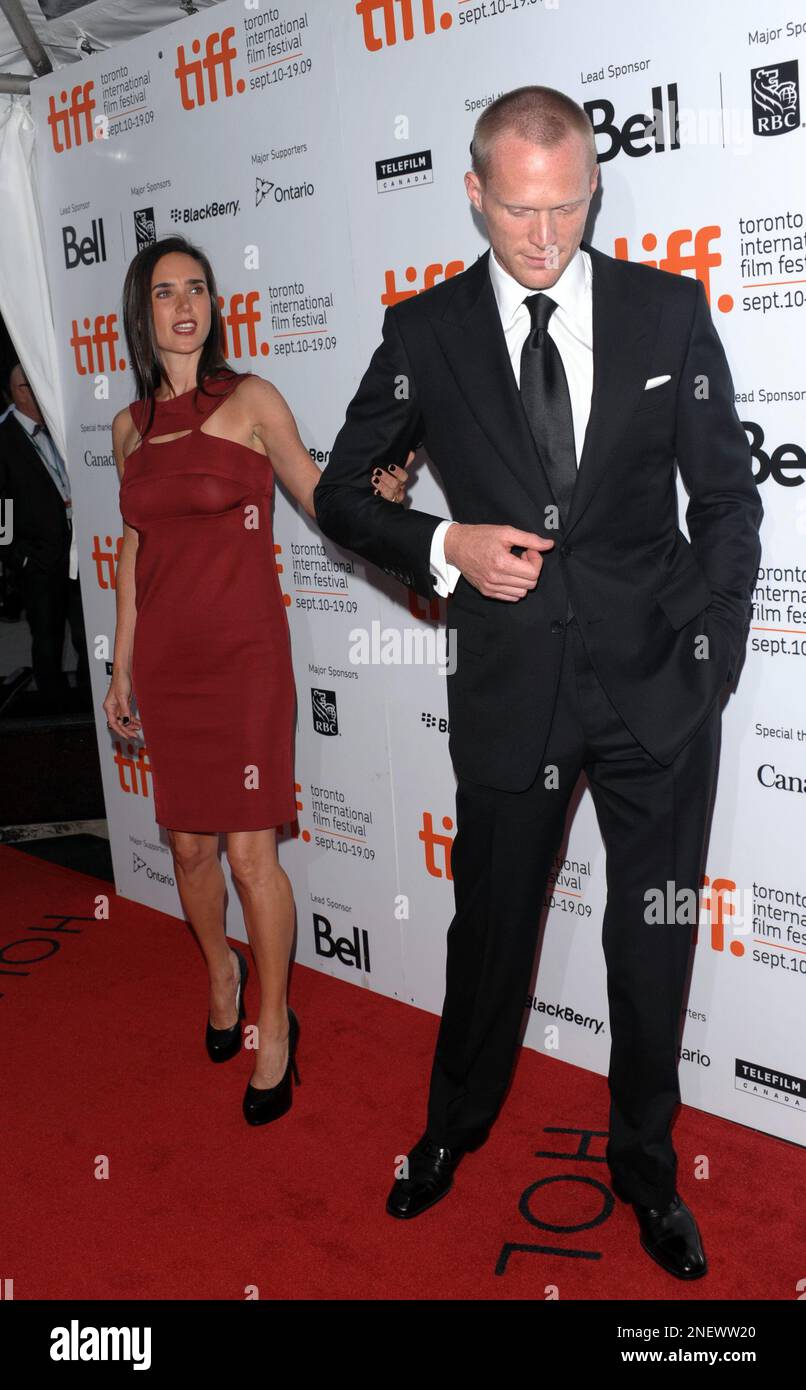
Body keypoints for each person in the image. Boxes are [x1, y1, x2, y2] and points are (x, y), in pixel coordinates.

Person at [313, 86, 762, 1278]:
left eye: (567, 207)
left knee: (651, 940)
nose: (545, 236)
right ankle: (449, 1130)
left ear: (591, 190)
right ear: (473, 192)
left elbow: (724, 498)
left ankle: (646, 1172)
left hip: (659, 690)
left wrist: (710, 649)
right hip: (514, 693)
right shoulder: (427, 335)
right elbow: (343, 491)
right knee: (491, 933)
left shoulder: (665, 314)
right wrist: (442, 549)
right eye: (519, 210)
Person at [104, 235, 408, 1126]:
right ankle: (220, 970)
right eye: (165, 293)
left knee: (247, 853)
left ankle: (274, 1028)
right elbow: (134, 553)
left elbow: (321, 498)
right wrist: (123, 666)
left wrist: (379, 499)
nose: (185, 305)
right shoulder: (130, 427)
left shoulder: (251, 400)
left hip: (243, 662)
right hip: (167, 665)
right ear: (143, 312)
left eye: (197, 288)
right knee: (189, 850)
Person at [0, 362, 89, 709]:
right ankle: (52, 714)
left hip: (76, 554)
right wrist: (17, 555)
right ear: (11, 393)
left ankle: (87, 705)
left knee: (84, 634)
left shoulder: (56, 425)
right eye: (24, 388)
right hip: (38, 560)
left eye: (35, 386)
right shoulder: (5, 439)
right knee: (48, 640)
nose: (33, 395)